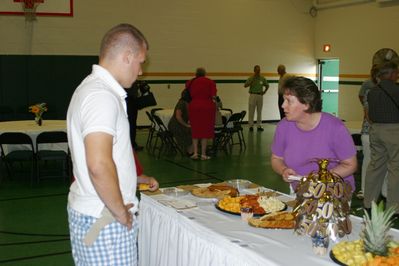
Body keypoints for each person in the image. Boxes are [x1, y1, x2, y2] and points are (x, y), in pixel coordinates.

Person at [66, 23, 148, 265]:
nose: (141, 70)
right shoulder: (101, 96)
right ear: (127, 56)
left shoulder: (93, 90)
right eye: (140, 62)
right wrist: (120, 212)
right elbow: (98, 164)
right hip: (106, 220)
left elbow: (105, 157)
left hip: (97, 214)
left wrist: (132, 178)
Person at [271, 77, 357, 193]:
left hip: (334, 194)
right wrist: (283, 169)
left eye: (289, 101)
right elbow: (276, 158)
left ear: (306, 104)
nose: (283, 105)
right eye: (283, 100)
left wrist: (321, 178)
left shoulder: (335, 128)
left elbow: (350, 165)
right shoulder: (283, 126)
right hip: (299, 190)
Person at [364, 62, 399, 213]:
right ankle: (394, 207)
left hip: (375, 130)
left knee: (375, 166)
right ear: (391, 74)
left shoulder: (371, 92)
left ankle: (368, 201)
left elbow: (369, 115)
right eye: (396, 73)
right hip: (394, 130)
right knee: (395, 168)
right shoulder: (397, 90)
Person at [357, 64, 388, 199]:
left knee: (372, 162)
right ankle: (370, 190)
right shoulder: (372, 92)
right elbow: (369, 116)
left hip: (371, 133)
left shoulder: (371, 92)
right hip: (372, 133)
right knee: (375, 162)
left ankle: (375, 190)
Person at [187, 67, 217, 160]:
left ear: (196, 73)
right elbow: (214, 96)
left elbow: (188, 91)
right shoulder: (210, 82)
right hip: (207, 107)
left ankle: (195, 153)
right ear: (204, 73)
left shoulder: (190, 82)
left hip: (194, 106)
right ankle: (203, 154)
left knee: (195, 130)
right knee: (205, 131)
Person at [168, 91, 194, 156]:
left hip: (178, 124)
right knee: (194, 131)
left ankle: (190, 150)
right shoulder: (182, 103)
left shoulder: (186, 103)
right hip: (175, 125)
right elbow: (178, 116)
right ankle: (190, 151)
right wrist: (186, 125)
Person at [244, 65, 269, 131]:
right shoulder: (251, 77)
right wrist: (250, 82)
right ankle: (250, 126)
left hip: (260, 95)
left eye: (259, 70)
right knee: (251, 110)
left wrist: (264, 92)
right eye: (257, 70)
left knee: (259, 111)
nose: (258, 72)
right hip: (253, 95)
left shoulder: (262, 78)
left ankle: (259, 125)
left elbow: (267, 85)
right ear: (254, 71)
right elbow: (245, 85)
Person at [125, 81, 143, 151]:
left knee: (132, 124)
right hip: (130, 101)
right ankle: (132, 144)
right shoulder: (129, 79)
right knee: (132, 124)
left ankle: (132, 143)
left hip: (131, 100)